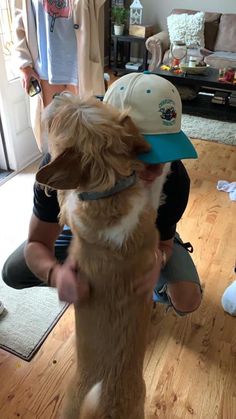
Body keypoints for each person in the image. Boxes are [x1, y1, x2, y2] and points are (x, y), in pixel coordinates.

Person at [2, 72, 202, 316]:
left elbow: (164, 244)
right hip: (85, 228)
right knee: (14, 271)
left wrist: (156, 260)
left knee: (187, 298)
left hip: (147, 234)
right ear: (110, 145)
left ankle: (149, 291)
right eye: (142, 155)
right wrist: (56, 274)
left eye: (165, 154)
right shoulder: (68, 164)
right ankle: (95, 280)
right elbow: (37, 243)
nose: (156, 171)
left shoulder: (175, 179)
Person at [13, 0, 106, 150]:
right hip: (44, 71)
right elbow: (19, 24)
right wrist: (24, 64)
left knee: (86, 132)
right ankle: (57, 168)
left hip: (80, 68)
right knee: (53, 135)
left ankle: (85, 171)